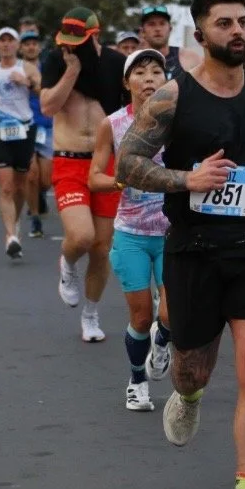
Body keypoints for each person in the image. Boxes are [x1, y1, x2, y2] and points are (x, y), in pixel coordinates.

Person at [115, 0, 245, 489]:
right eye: (224, 23)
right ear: (199, 33)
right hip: (194, 250)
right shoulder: (173, 97)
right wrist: (186, 180)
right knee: (195, 368)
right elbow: (128, 163)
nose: (237, 31)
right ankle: (188, 395)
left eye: (243, 21)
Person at [89, 48, 174, 410]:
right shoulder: (113, 124)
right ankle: (137, 380)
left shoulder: (179, 121)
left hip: (173, 232)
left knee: (172, 315)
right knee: (141, 316)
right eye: (141, 72)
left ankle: (162, 341)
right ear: (127, 83)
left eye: (157, 71)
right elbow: (94, 177)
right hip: (132, 234)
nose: (150, 78)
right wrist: (120, 182)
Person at [40, 7, 126, 342]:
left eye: (80, 41)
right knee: (81, 237)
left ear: (95, 35)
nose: (72, 46)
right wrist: (71, 71)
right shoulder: (56, 60)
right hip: (69, 160)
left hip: (106, 161)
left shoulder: (116, 62)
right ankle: (67, 263)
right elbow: (48, 106)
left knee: (102, 248)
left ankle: (91, 315)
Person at [0, 27, 41, 259]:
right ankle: (10, 236)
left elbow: (42, 91)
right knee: (5, 185)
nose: (6, 45)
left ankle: (15, 224)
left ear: (17, 45)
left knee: (20, 184)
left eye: (10, 41)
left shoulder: (27, 67)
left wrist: (26, 82)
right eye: (2, 41)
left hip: (24, 129)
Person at [20, 30, 52, 239]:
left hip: (48, 125)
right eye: (27, 44)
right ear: (21, 48)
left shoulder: (49, 68)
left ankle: (40, 194)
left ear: (39, 47)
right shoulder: (15, 69)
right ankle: (35, 218)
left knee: (46, 180)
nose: (31, 47)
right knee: (31, 174)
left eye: (34, 43)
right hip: (25, 126)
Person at [138, 5, 201, 79]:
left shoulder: (190, 58)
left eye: (162, 23)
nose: (157, 29)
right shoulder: (134, 61)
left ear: (170, 29)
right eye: (151, 24)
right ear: (142, 31)